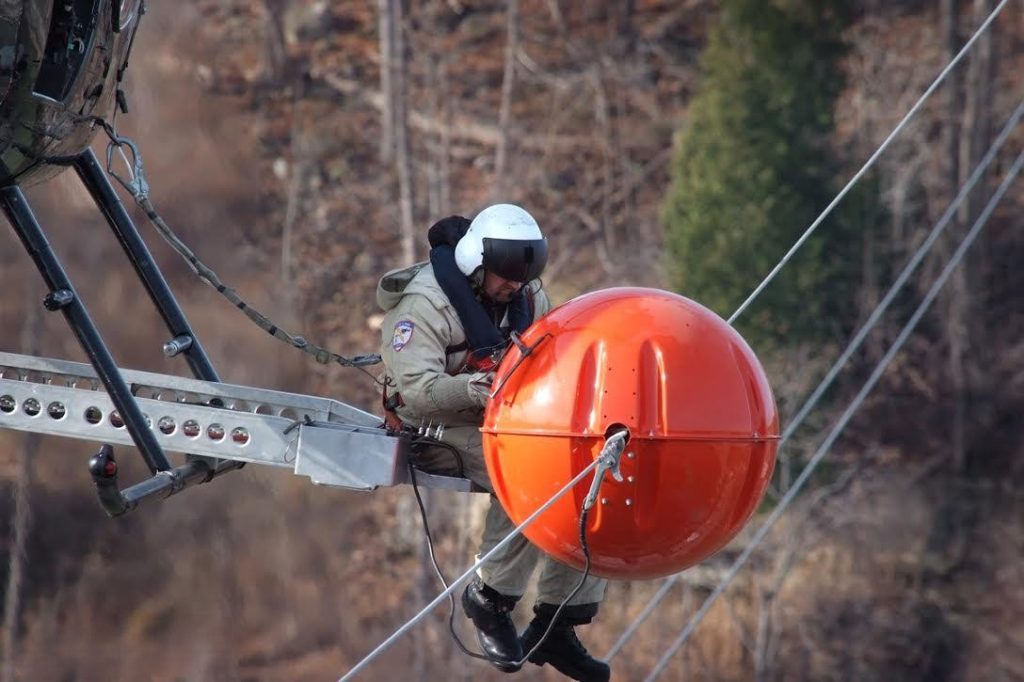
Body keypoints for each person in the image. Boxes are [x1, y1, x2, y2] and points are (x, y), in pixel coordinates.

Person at [376, 204, 611, 682]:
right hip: (434, 422)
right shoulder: (424, 306)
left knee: (592, 473)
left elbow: (555, 355)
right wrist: (472, 390)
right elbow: (418, 391)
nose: (513, 287)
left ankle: (558, 623)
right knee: (533, 475)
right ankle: (490, 599)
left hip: (506, 415)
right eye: (504, 278)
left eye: (520, 279)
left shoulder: (527, 300)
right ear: (476, 268)